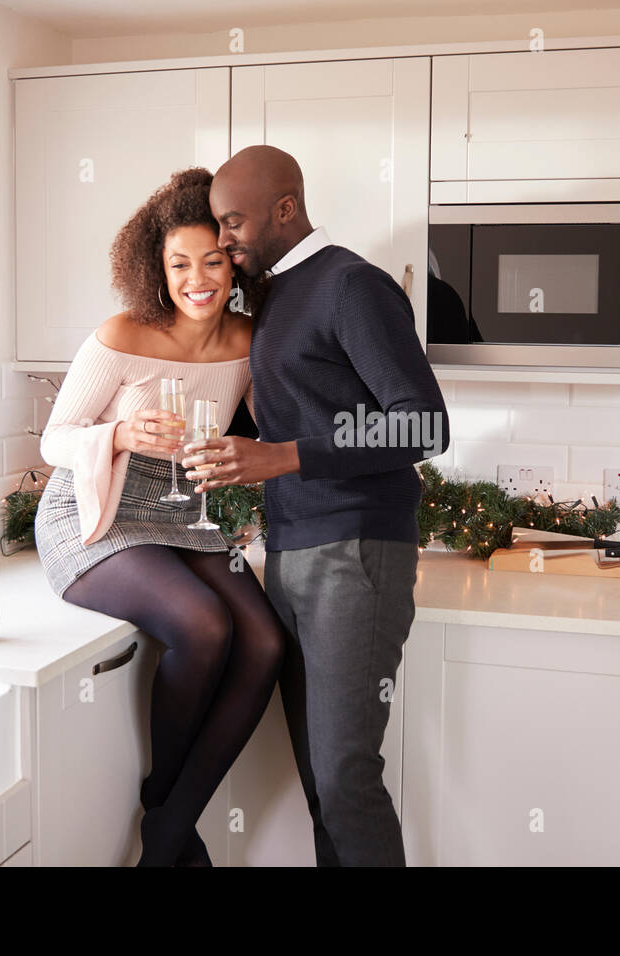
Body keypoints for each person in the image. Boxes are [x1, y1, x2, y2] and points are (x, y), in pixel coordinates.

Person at [183, 145, 451, 866]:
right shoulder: (273, 297)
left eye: (232, 220)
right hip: (293, 551)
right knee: (320, 783)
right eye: (215, 222)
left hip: (357, 552)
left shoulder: (349, 285)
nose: (224, 237)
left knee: (344, 777)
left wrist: (284, 454)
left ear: (285, 208)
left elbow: (423, 423)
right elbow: (297, 408)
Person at [34, 167, 284, 867]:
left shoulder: (246, 339)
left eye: (212, 260)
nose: (197, 279)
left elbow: (266, 424)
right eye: (180, 264)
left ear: (233, 263)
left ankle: (172, 821)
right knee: (203, 625)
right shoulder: (122, 332)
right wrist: (117, 435)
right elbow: (56, 440)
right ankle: (166, 821)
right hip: (98, 510)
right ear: (158, 266)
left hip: (184, 510)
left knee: (263, 642)